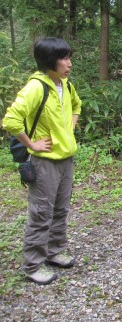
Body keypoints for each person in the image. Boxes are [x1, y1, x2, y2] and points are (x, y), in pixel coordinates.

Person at [2, 37, 82, 285]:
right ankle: (33, 264)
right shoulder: (36, 87)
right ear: (50, 61)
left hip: (66, 159)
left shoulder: (65, 85)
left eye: (69, 57)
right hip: (44, 162)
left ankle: (55, 251)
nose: (69, 63)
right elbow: (11, 121)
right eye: (64, 58)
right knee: (41, 213)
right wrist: (32, 144)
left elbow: (77, 106)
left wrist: (68, 130)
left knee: (60, 209)